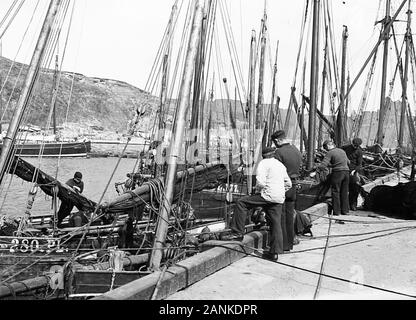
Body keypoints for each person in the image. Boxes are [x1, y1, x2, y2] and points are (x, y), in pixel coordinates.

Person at [225, 147, 292, 261]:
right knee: (276, 224)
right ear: (273, 155)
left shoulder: (263, 163)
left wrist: (256, 191)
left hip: (267, 195)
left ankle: (237, 233)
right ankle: (274, 253)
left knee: (242, 203)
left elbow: (260, 182)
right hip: (279, 197)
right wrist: (279, 191)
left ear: (263, 156)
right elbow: (288, 183)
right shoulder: (280, 165)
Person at [271, 130, 302, 252]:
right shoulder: (296, 150)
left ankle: (283, 245)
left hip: (283, 186)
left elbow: (275, 171)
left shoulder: (279, 152)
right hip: (293, 185)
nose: (274, 145)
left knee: (281, 216)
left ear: (278, 140)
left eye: (274, 142)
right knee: (290, 215)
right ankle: (290, 242)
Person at [317, 140, 350, 216]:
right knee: (344, 192)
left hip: (338, 173)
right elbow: (348, 162)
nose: (325, 150)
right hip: (346, 173)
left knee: (335, 192)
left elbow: (323, 165)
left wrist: (315, 170)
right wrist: (334, 164)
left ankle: (336, 212)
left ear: (328, 145)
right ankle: (345, 211)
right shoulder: (342, 151)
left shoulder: (330, 153)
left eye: (325, 148)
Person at [342, 138, 364, 211]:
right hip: (344, 169)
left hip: (353, 171)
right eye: (354, 145)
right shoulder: (346, 148)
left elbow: (359, 164)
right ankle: (345, 205)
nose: (355, 147)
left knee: (354, 189)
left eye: (357, 146)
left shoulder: (359, 152)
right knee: (344, 188)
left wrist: (354, 170)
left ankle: (353, 204)